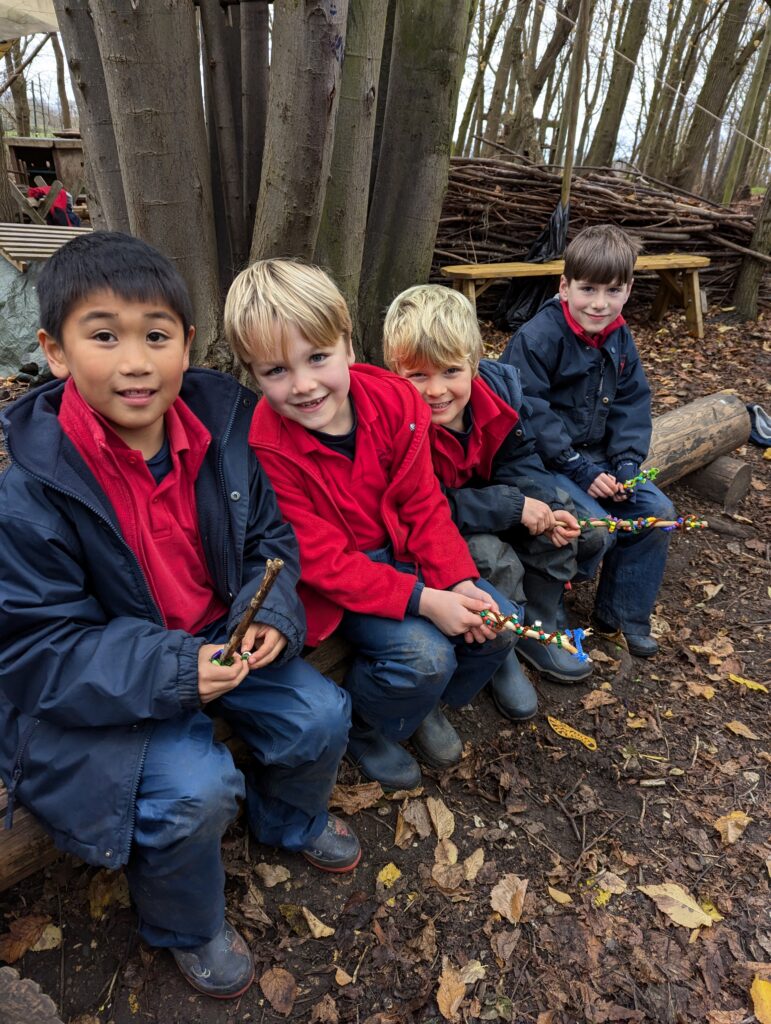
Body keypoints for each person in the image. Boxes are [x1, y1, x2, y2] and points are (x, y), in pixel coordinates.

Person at [0, 232, 359, 1001]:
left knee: (321, 714)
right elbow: (36, 647)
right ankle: (186, 922)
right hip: (117, 678)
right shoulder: (32, 491)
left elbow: (271, 539)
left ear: (186, 345)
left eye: (155, 336)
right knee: (193, 790)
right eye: (103, 336)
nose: (135, 361)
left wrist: (273, 610)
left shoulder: (222, 431)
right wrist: (169, 671)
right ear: (55, 352)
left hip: (222, 639)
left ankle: (288, 823)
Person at [225, 259, 529, 792]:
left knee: (496, 620)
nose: (303, 385)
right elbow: (320, 561)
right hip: (342, 583)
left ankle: (421, 707)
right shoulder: (267, 445)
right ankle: (370, 728)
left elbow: (423, 504)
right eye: (275, 371)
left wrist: (456, 581)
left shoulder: (395, 402)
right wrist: (426, 600)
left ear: (348, 345)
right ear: (253, 375)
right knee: (424, 654)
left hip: (406, 552)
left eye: (317, 357)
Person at [383, 284, 602, 706]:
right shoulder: (399, 425)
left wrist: (547, 506)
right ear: (396, 372)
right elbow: (424, 506)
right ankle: (502, 650)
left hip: (490, 504)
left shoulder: (496, 396)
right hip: (444, 530)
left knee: (560, 516)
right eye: (418, 376)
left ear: (474, 365)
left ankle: (537, 626)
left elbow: (520, 460)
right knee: (490, 557)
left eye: (450, 371)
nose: (435, 390)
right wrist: (510, 507)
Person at [501, 224, 675, 657]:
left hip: (597, 457)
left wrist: (628, 464)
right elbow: (529, 411)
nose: (599, 303)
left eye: (613, 291)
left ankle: (621, 617)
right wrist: (579, 466)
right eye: (588, 289)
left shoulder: (619, 336)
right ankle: (545, 607)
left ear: (629, 290)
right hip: (544, 461)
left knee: (656, 511)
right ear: (565, 286)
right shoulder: (538, 338)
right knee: (597, 527)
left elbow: (632, 402)